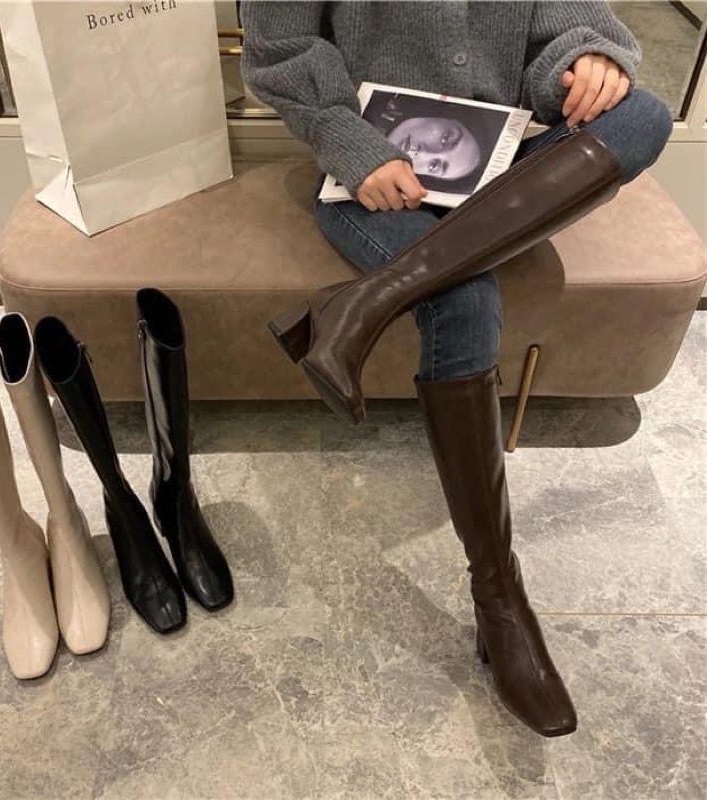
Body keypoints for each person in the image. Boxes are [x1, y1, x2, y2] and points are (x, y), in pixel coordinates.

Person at [241, 1, 672, 737]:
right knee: (465, 299)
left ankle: (361, 305)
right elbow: (281, 49)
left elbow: (565, 19)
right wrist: (352, 145)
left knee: (645, 116)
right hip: (374, 182)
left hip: (502, 168)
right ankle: (498, 596)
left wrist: (584, 64)